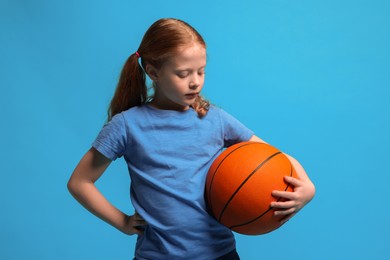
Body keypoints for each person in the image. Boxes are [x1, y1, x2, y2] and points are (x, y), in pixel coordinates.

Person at [67, 18, 315, 260]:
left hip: (220, 254)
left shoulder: (215, 119)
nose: (195, 81)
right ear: (153, 71)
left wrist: (307, 188)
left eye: (201, 71)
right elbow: (80, 182)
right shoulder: (126, 125)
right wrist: (122, 222)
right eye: (183, 73)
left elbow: (274, 154)